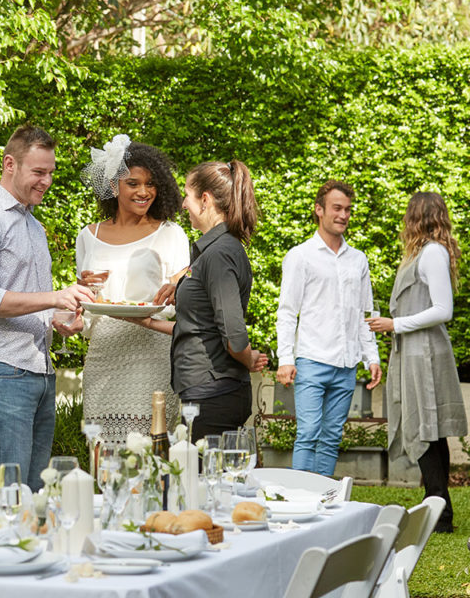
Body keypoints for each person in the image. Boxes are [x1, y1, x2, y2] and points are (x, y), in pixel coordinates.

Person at [0, 124, 93, 491]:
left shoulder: (34, 225)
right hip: (2, 368)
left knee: (33, 493)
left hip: (39, 370)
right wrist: (54, 297)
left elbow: (33, 299)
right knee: (8, 491)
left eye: (51, 172)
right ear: (9, 164)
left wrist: (61, 319)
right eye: (38, 172)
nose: (47, 181)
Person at [127, 159, 268, 442]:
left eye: (187, 196)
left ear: (205, 200)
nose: (182, 204)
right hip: (206, 391)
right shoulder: (212, 251)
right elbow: (199, 327)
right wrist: (147, 322)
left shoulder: (219, 254)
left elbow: (234, 336)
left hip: (215, 394)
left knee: (204, 470)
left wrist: (247, 357)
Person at [76, 134, 190, 442]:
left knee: (151, 451)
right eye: (133, 183)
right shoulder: (88, 236)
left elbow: (182, 300)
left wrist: (174, 289)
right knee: (103, 452)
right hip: (104, 356)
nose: (144, 192)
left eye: (150, 184)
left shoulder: (171, 234)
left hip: (153, 356)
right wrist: (81, 293)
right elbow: (86, 303)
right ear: (114, 186)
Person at [367, 192, 467, 533]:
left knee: (426, 427)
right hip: (415, 351)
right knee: (429, 429)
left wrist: (395, 324)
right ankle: (437, 506)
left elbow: (443, 310)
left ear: (416, 218)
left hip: (425, 353)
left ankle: (439, 511)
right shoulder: (423, 253)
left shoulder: (432, 253)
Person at [276, 180, 382, 476]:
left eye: (347, 209)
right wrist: (285, 359)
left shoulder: (358, 260)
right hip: (311, 360)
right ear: (319, 210)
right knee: (308, 434)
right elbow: (287, 311)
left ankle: (323, 498)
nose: (343, 215)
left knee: (332, 438)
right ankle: (300, 496)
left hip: (346, 365)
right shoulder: (300, 256)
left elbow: (365, 314)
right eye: (337, 208)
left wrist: (371, 357)